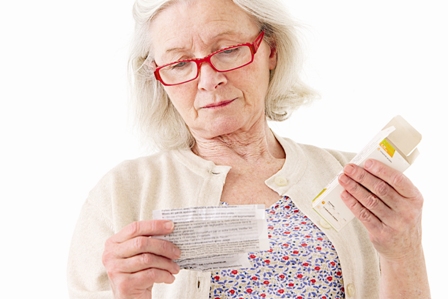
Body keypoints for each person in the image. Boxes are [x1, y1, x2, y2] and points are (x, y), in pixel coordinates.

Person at [67, 0, 431, 298]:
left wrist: (404, 250)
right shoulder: (121, 193)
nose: (209, 80)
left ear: (270, 50)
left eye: (227, 51)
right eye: (179, 64)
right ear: (158, 76)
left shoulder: (353, 178)